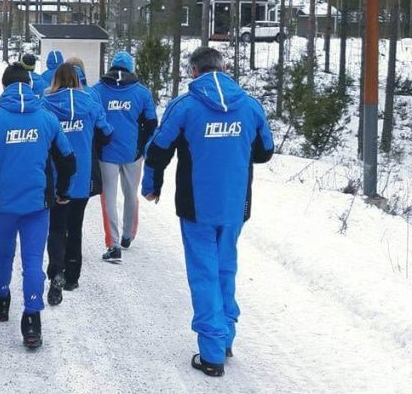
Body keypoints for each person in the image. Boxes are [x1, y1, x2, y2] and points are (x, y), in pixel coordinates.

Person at [141, 46, 274, 378]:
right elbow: (265, 152)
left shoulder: (184, 106)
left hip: (196, 205)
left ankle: (212, 351)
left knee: (204, 272)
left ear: (193, 71)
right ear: (224, 67)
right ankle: (226, 335)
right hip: (235, 205)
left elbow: (158, 149)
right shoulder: (250, 105)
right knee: (225, 268)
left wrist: (151, 185)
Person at [0, 64, 76, 349]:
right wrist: (63, 191)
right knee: (32, 262)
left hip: (3, 206)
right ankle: (31, 320)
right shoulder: (47, 119)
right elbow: (68, 159)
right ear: (29, 85)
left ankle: (1, 299)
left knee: (3, 254)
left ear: (4, 87)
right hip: (37, 206)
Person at [41, 63, 112, 306]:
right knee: (76, 225)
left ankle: (56, 272)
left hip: (55, 174)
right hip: (82, 175)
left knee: (57, 226)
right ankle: (72, 275)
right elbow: (106, 134)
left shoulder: (45, 104)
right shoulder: (91, 104)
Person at [93, 51, 157, 263]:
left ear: (111, 67)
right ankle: (128, 234)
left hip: (106, 153)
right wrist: (142, 147)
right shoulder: (141, 92)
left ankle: (113, 244)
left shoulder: (98, 91)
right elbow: (151, 123)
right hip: (132, 152)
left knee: (108, 198)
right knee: (131, 194)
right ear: (130, 68)